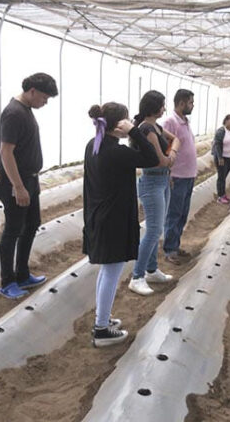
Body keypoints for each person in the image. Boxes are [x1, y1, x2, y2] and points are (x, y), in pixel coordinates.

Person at [83, 102, 159, 346]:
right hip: (113, 219)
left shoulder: (94, 145)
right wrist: (135, 132)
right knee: (111, 272)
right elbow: (151, 158)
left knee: (106, 271)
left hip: (100, 216)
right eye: (127, 120)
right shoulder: (116, 151)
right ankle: (101, 329)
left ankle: (102, 319)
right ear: (119, 125)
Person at [0, 72, 58, 299]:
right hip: (17, 181)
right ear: (32, 91)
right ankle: (7, 281)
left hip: (29, 179)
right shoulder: (14, 113)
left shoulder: (26, 111)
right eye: (44, 97)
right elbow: (6, 152)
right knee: (13, 229)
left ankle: (22, 273)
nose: (45, 102)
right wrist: (18, 187)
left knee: (32, 223)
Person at [129, 91, 181, 296]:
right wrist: (170, 156)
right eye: (162, 105)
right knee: (153, 229)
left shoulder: (156, 127)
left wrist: (172, 153)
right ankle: (137, 276)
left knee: (156, 228)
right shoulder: (146, 128)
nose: (164, 109)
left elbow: (175, 140)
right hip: (152, 182)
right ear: (154, 107)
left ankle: (151, 270)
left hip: (163, 179)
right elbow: (160, 160)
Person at [162, 89, 197, 264]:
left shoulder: (185, 121)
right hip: (177, 176)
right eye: (190, 102)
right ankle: (169, 250)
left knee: (183, 214)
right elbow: (165, 148)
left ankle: (175, 245)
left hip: (188, 175)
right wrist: (169, 172)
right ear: (182, 103)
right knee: (174, 214)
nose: (193, 105)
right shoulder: (170, 122)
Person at [212, 114, 230, 204]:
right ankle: (220, 197)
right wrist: (220, 157)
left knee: (224, 176)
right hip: (222, 158)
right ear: (226, 121)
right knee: (221, 177)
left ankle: (223, 194)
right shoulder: (221, 131)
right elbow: (217, 144)